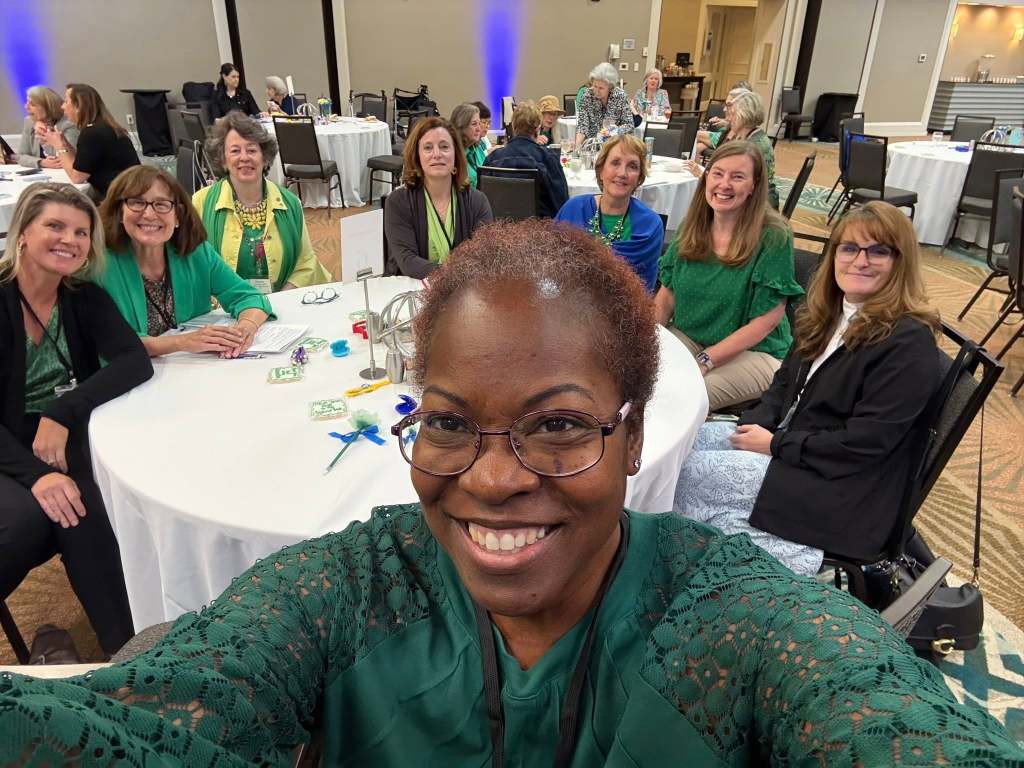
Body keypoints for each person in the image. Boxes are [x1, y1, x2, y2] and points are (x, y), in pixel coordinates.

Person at [1, 218, 1022, 767]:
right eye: (448, 423)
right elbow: (153, 720)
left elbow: (871, 711)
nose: (491, 478)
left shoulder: (731, 611)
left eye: (560, 425)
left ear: (632, 437)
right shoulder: (350, 588)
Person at [676, 202, 941, 575]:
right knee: (682, 445)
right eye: (850, 248)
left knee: (686, 474)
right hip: (796, 449)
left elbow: (864, 444)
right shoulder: (830, 314)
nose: (860, 261)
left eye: (878, 251)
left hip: (838, 489)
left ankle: (694, 567)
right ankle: (692, 554)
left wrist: (775, 445)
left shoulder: (907, 343)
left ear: (901, 262)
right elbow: (783, 383)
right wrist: (759, 423)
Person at [0, 183, 152, 661]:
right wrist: (37, 475)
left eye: (81, 232)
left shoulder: (82, 296)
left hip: (62, 434)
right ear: (23, 233)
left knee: (84, 506)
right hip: (6, 445)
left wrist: (62, 412)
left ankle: (128, 656)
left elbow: (134, 360)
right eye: (55, 226)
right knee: (31, 522)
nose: (70, 240)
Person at [656, 142, 802, 411]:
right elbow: (666, 297)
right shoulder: (693, 225)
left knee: (684, 398)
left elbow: (766, 322)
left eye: (737, 177)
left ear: (754, 186)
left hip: (756, 351)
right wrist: (646, 341)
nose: (724, 184)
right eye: (718, 173)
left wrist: (706, 360)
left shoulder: (773, 236)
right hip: (690, 335)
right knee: (640, 381)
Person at [98, 166, 273, 358]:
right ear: (119, 212)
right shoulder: (99, 266)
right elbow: (111, 341)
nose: (149, 214)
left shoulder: (196, 253)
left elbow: (249, 298)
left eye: (161, 204)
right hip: (131, 372)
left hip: (193, 368)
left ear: (177, 216)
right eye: (137, 203)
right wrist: (181, 342)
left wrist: (243, 331)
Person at [193, 112, 330, 291]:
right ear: (223, 160)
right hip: (225, 305)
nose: (244, 157)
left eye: (251, 150)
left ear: (265, 158)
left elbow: (305, 263)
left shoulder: (290, 203)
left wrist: (280, 299)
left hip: (279, 302)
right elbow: (193, 265)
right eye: (235, 151)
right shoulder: (201, 202)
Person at [383, 116, 492, 278]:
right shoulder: (398, 202)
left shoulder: (477, 202)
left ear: (456, 155)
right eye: (428, 148)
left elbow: (483, 257)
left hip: (465, 289)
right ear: (417, 156)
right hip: (412, 288)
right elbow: (408, 262)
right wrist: (454, 274)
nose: (437, 154)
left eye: (444, 147)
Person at [556, 134, 663, 291]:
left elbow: (645, 289)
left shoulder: (649, 225)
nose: (622, 173)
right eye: (615, 163)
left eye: (632, 166)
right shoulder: (574, 209)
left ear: (639, 179)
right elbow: (551, 266)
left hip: (626, 305)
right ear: (601, 171)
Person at [45, 84, 139, 200]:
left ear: (78, 106)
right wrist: (63, 142)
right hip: (129, 192)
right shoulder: (102, 127)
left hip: (118, 199)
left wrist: (58, 146)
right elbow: (81, 163)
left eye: (66, 101)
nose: (62, 107)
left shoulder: (92, 133)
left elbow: (77, 177)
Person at [693, 90, 779, 209]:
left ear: (743, 116)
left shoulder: (755, 145)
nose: (727, 117)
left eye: (732, 114)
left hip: (757, 204)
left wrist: (704, 177)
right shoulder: (742, 135)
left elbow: (740, 184)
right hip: (745, 197)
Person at [485, 101, 569, 218]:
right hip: (539, 227)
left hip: (500, 226)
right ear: (538, 128)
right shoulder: (548, 159)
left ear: (513, 127)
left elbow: (484, 201)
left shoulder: (492, 159)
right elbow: (562, 204)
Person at [5, 86, 79, 169]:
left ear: (48, 107)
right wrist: (41, 162)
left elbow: (65, 159)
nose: (26, 107)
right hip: (41, 173)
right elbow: (20, 156)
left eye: (32, 104)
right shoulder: (29, 122)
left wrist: (46, 132)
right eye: (27, 103)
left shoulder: (69, 124)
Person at [575, 62, 633, 146]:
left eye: (601, 88)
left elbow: (629, 125)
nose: (597, 91)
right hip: (593, 145)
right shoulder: (587, 96)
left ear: (610, 87)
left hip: (615, 144)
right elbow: (582, 127)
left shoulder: (620, 96)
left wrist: (613, 131)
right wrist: (577, 147)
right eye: (595, 86)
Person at [450, 102, 486, 187]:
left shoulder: (477, 148)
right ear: (461, 127)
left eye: (479, 123)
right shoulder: (453, 155)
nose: (479, 129)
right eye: (474, 124)